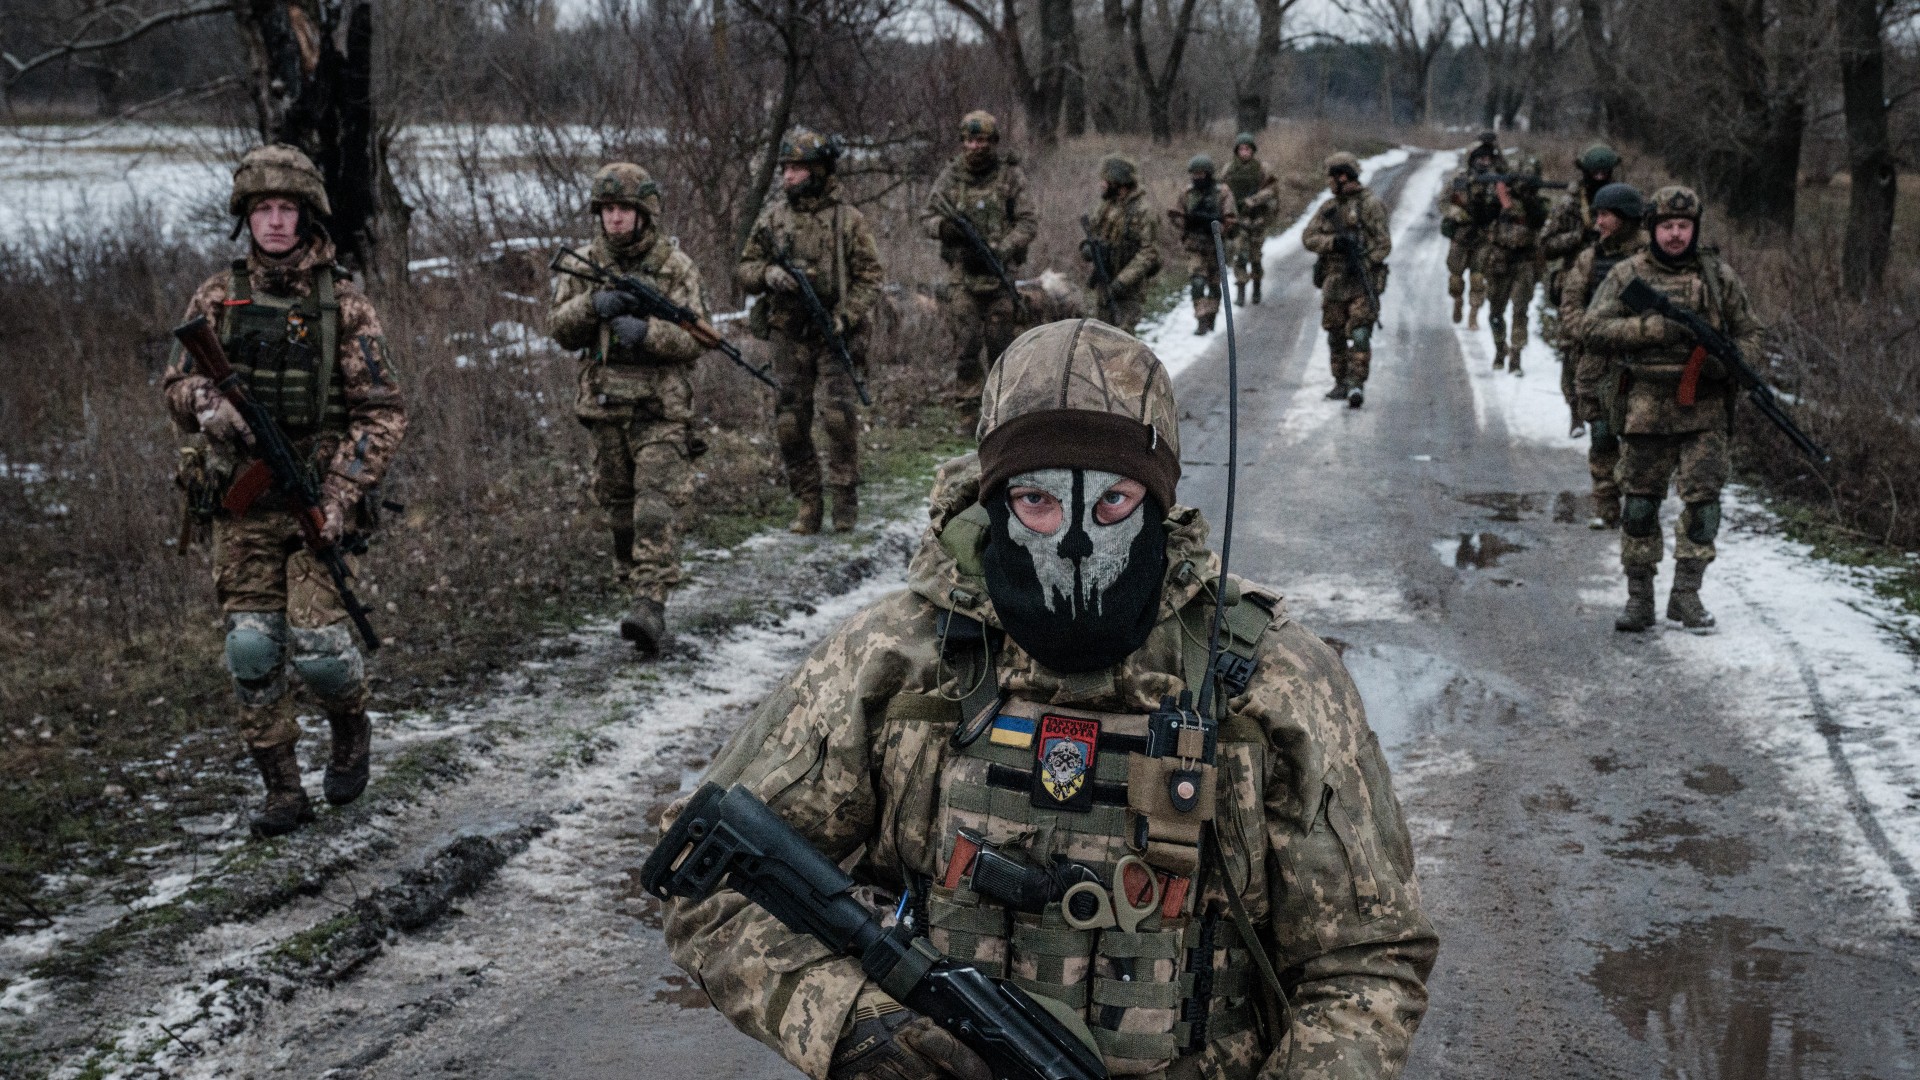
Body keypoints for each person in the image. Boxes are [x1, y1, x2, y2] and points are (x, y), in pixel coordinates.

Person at [661, 317, 1437, 1080]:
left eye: (1111, 504)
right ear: (994, 496)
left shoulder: (1275, 680)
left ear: (1157, 499)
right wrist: (857, 1026)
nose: (1071, 542)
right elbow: (710, 882)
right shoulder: (895, 660)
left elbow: (1366, 965)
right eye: (1035, 502)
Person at [161, 144, 406, 838]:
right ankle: (282, 791)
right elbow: (175, 385)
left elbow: (384, 411)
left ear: (307, 216)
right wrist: (210, 404)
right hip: (239, 506)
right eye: (262, 209)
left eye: (286, 209)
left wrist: (337, 494)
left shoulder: (344, 306)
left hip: (317, 507)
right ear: (247, 217)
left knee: (323, 649)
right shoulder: (217, 296)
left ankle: (350, 729)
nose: (274, 222)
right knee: (251, 650)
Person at [547, 162, 711, 653]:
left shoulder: (673, 267)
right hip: (604, 405)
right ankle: (636, 588)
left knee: (655, 507)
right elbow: (559, 329)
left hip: (660, 408)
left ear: (644, 214)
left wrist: (650, 333)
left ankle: (650, 605)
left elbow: (699, 336)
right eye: (608, 210)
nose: (615, 219)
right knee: (619, 511)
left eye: (624, 210)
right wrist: (593, 307)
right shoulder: (581, 264)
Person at [1585, 186, 1764, 632]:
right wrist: (1652, 329)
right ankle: (1639, 599)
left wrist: (1728, 363)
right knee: (1640, 507)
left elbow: (1750, 333)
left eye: (1684, 226)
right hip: (1644, 406)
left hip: (1703, 409)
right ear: (1652, 228)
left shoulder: (1718, 277)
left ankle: (1686, 595)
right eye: (1667, 226)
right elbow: (1592, 328)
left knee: (1703, 507)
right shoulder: (1628, 276)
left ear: (1695, 228)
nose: (1676, 234)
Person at [739, 127, 884, 534]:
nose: (787, 176)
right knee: (790, 422)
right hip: (788, 331)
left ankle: (844, 502)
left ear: (819, 171)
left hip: (835, 333)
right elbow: (745, 269)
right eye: (785, 168)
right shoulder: (772, 220)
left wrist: (846, 316)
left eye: (797, 169)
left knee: (838, 419)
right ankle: (807, 503)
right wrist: (768, 274)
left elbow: (870, 277)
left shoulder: (848, 220)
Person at [922, 111, 1039, 434]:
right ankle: (967, 414)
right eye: (970, 141)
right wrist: (947, 229)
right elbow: (927, 217)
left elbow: (1028, 222)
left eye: (982, 141)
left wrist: (1003, 248)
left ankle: (1003, 412)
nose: (975, 147)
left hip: (1000, 276)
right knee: (967, 344)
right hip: (963, 277)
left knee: (1001, 344)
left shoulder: (1010, 177)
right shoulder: (951, 177)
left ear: (993, 142)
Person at [1554, 182, 1646, 529]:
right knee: (1602, 434)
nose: (1598, 222)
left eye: (1604, 215)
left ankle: (1638, 506)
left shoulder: (1650, 258)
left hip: (1641, 361)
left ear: (1624, 218)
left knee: (1639, 438)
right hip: (1598, 361)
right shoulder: (1591, 258)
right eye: (1597, 214)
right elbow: (1571, 303)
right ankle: (1607, 508)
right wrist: (1589, 333)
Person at [1540, 144, 1624, 417]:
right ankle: (1576, 409)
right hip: (1576, 284)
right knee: (1572, 349)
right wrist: (1578, 236)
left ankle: (1604, 412)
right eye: (1594, 173)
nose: (1599, 178)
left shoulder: (1622, 200)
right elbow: (1547, 243)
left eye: (1605, 173)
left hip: (1613, 282)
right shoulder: (1570, 203)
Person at [1303, 151, 1390, 408]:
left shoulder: (1371, 205)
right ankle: (1340, 381)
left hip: (1362, 280)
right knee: (1335, 333)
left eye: (1331, 177)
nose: (1329, 183)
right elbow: (1308, 238)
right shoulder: (1328, 208)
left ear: (1343, 176)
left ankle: (1357, 383)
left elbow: (1384, 244)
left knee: (1361, 332)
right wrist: (1333, 243)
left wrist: (1365, 261)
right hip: (1333, 279)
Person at [1476, 151, 1551, 375]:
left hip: (1524, 262)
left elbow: (1539, 218)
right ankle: (1501, 349)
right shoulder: (1498, 199)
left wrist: (1523, 197)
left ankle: (1516, 357)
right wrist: (1490, 197)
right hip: (1499, 260)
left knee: (1520, 310)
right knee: (1495, 312)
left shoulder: (1537, 203)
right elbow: (1482, 217)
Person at [1079, 154, 1162, 334]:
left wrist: (1121, 282)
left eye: (1106, 181)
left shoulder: (1143, 211)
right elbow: (1092, 232)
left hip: (1128, 290)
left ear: (1119, 183)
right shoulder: (1106, 206)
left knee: (1122, 342)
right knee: (1100, 338)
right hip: (1104, 283)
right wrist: (1087, 248)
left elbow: (1149, 252)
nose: (1102, 184)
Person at [1167, 155, 1236, 335]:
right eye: (1194, 174)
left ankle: (1211, 314)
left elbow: (1230, 218)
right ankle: (1201, 318)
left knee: (1214, 285)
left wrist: (1218, 227)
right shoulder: (1187, 194)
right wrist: (1187, 223)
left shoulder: (1222, 192)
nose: (1197, 177)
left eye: (1200, 173)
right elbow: (1176, 215)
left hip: (1216, 246)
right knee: (1197, 283)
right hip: (1195, 246)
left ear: (1209, 174)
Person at [1442, 132, 1502, 329]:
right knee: (1456, 279)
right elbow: (1443, 202)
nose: (1485, 162)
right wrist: (1456, 213)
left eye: (1488, 159)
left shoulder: (1495, 181)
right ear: (1472, 160)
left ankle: (1473, 313)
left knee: (1478, 278)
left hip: (1484, 236)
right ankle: (1458, 301)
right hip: (1461, 236)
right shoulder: (1460, 179)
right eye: (1481, 158)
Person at [1221, 133, 1280, 306]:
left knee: (1255, 257)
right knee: (1240, 255)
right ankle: (1240, 290)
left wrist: (1253, 201)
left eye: (1247, 149)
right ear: (1236, 151)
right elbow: (1223, 191)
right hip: (1238, 221)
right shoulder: (1229, 169)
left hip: (1258, 220)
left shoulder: (1263, 168)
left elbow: (1272, 190)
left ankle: (1256, 287)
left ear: (1253, 150)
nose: (1244, 152)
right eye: (1241, 149)